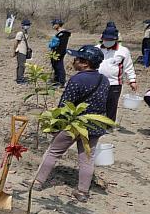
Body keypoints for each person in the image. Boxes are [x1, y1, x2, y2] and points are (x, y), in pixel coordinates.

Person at [33, 45, 110, 202]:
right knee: (87, 158)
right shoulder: (105, 80)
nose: (73, 61)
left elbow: (65, 106)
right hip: (94, 126)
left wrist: (55, 127)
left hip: (73, 124)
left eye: (77, 59)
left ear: (85, 63)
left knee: (53, 152)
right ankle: (82, 191)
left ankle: (37, 182)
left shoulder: (77, 79)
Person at [97, 25, 137, 122]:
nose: (107, 41)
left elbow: (129, 67)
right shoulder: (97, 49)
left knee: (111, 105)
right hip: (97, 82)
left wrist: (132, 80)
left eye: (110, 39)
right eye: (105, 39)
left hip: (114, 83)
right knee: (97, 103)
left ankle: (109, 125)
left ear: (116, 39)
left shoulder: (123, 51)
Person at [48, 19, 71, 86]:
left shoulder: (63, 34)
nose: (53, 26)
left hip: (59, 52)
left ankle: (61, 82)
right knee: (55, 66)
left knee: (59, 66)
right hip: (55, 52)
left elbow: (62, 45)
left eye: (54, 24)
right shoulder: (59, 33)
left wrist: (58, 54)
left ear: (58, 24)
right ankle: (56, 80)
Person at [13, 19, 31, 84]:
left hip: (24, 51)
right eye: (26, 25)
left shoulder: (26, 33)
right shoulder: (20, 33)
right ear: (22, 25)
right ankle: (20, 79)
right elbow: (16, 42)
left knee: (22, 65)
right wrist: (14, 51)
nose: (28, 26)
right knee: (21, 66)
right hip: (20, 51)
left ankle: (20, 77)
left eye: (28, 25)